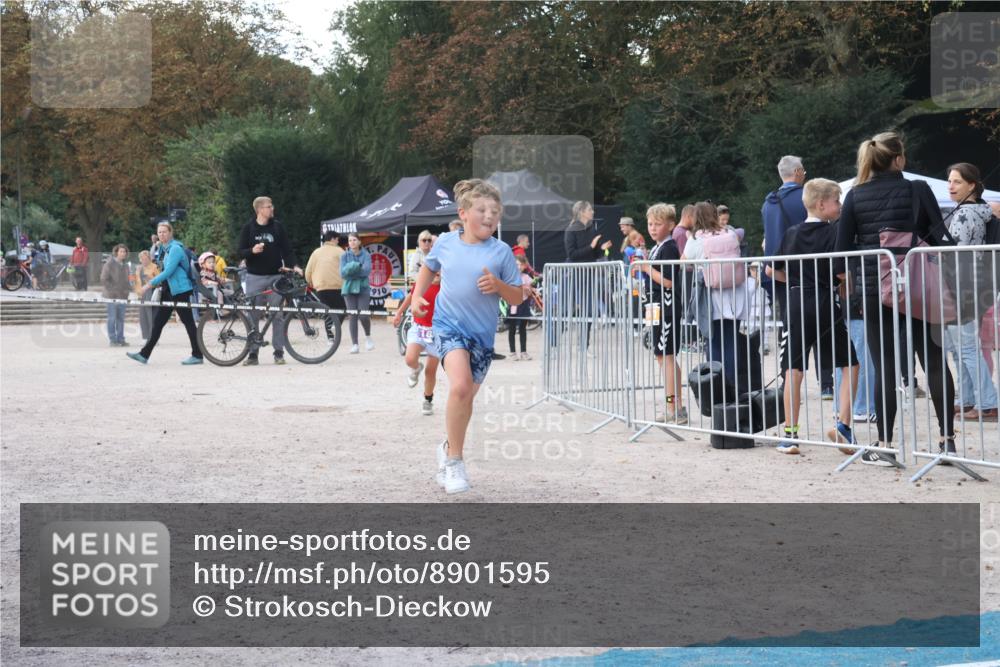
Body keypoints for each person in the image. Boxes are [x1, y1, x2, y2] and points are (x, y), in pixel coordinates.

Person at [835, 131, 956, 464]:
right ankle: (947, 442)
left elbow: (841, 250)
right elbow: (940, 235)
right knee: (932, 360)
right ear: (900, 159)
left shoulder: (855, 197)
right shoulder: (916, 189)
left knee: (884, 365)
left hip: (875, 289)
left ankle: (886, 442)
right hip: (918, 285)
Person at [412, 178, 523, 494]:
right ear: (463, 213)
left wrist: (499, 287)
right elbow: (428, 269)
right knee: (460, 387)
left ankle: (447, 446)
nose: (489, 216)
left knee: (464, 399)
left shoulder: (501, 252)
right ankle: (454, 464)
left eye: (495, 211)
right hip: (448, 328)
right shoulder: (445, 242)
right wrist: (419, 296)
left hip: (482, 338)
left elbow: (516, 297)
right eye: (482, 210)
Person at [767, 179, 859, 456]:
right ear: (822, 204)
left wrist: (794, 279)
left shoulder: (792, 233)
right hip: (824, 301)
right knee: (850, 364)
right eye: (837, 201)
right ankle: (843, 424)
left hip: (795, 301)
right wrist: (843, 284)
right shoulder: (834, 233)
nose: (840, 206)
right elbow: (842, 274)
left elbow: (773, 271)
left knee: (793, 370)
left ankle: (790, 435)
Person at [683, 202, 762, 394]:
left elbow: (684, 263)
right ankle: (733, 384)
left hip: (712, 295)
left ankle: (717, 386)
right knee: (731, 340)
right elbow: (741, 234)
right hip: (735, 294)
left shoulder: (696, 238)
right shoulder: (730, 233)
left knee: (713, 341)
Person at [943, 162, 998, 422]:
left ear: (971, 185)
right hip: (972, 283)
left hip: (961, 284)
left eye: (957, 182)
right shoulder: (981, 211)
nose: (950, 187)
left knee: (964, 348)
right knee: (958, 347)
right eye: (950, 181)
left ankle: (987, 402)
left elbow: (954, 252)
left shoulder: (965, 214)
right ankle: (966, 398)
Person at [632, 203, 687, 424]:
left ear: (671, 225)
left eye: (658, 224)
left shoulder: (669, 248)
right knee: (662, 355)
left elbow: (669, 282)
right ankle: (676, 405)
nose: (653, 228)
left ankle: (673, 406)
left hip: (666, 308)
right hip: (654, 308)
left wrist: (647, 269)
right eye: (650, 224)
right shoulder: (657, 247)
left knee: (667, 356)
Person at [237, 196, 301, 366]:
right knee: (253, 315)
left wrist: (294, 265)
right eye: (268, 206)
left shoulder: (277, 227)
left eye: (271, 206)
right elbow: (240, 252)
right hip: (254, 277)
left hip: (275, 277)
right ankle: (253, 354)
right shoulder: (248, 228)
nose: (272, 209)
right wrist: (252, 250)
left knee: (277, 315)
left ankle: (278, 352)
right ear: (259, 210)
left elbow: (287, 249)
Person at [127, 222, 203, 365]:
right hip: (169, 290)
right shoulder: (164, 249)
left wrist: (148, 285)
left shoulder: (175, 249)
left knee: (189, 323)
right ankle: (144, 354)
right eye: (160, 232)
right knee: (158, 323)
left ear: (170, 233)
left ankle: (197, 355)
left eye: (164, 232)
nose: (162, 234)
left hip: (180, 291)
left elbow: (169, 271)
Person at [564, 201, 613, 351]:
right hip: (574, 275)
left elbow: (596, 254)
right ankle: (552, 345)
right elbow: (572, 255)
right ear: (582, 212)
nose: (592, 212)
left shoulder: (592, 229)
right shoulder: (571, 230)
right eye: (590, 209)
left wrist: (602, 249)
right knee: (566, 310)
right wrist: (591, 246)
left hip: (589, 275)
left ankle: (584, 346)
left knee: (589, 311)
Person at [392, 271, 442, 416]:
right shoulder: (422, 283)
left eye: (441, 270)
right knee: (410, 359)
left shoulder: (447, 287)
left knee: (430, 371)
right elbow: (410, 296)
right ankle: (415, 368)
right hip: (419, 328)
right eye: (435, 270)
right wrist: (399, 313)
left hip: (437, 333)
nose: (438, 273)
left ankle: (428, 400)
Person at [341, 233, 374, 354]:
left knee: (363, 315)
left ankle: (368, 336)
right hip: (348, 288)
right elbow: (342, 274)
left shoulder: (366, 255)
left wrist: (350, 269)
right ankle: (355, 344)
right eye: (350, 240)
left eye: (354, 240)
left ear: (359, 242)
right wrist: (356, 266)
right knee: (352, 316)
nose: (352, 242)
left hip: (363, 287)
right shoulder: (344, 255)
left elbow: (366, 271)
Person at [305, 230, 347, 313]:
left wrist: (310, 282)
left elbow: (308, 271)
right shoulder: (340, 251)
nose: (338, 242)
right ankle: (334, 326)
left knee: (328, 313)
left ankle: (330, 326)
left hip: (321, 287)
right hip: (337, 287)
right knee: (341, 311)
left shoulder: (316, 252)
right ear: (332, 239)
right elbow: (347, 269)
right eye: (337, 239)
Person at [505, 254, 535, 360]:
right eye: (516, 264)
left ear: (524, 266)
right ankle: (512, 352)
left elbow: (530, 292)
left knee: (523, 329)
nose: (518, 267)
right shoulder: (509, 278)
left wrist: (528, 290)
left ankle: (524, 352)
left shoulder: (526, 278)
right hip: (513, 304)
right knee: (511, 329)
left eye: (520, 265)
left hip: (523, 305)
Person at [101, 244, 131, 347]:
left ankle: (121, 339)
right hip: (111, 296)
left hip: (123, 296)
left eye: (124, 252)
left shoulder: (126, 265)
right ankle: (113, 340)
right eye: (121, 251)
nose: (123, 253)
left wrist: (129, 290)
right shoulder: (109, 264)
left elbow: (128, 280)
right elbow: (104, 279)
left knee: (120, 319)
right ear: (116, 252)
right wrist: (113, 290)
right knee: (112, 318)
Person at [134, 249, 160, 342]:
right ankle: (145, 337)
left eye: (146, 258)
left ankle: (153, 338)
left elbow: (159, 281)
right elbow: (135, 281)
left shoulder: (154, 267)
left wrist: (151, 279)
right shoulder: (138, 268)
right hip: (141, 294)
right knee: (143, 317)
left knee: (151, 316)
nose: (144, 260)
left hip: (151, 292)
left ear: (149, 258)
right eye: (142, 259)